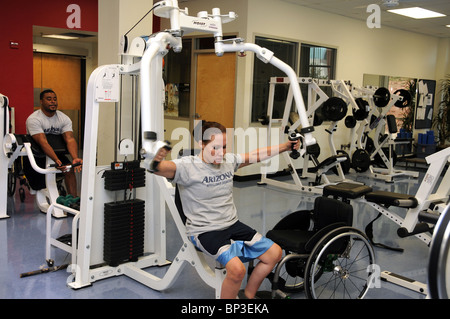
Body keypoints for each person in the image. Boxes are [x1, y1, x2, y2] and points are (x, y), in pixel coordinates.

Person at [152, 120, 300, 299]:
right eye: (215, 148)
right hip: (205, 230)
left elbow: (256, 155)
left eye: (224, 147)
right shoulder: (187, 166)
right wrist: (154, 159)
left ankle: (248, 295)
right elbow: (158, 168)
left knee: (274, 253)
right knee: (237, 270)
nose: (220, 153)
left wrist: (285, 146)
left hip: (231, 224)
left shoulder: (228, 161)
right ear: (201, 144)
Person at [25, 89, 82, 197]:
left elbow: (69, 139)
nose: (53, 101)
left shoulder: (64, 118)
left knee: (69, 169)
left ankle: (74, 201)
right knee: (38, 185)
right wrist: (57, 161)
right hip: (37, 154)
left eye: (55, 99)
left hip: (57, 151)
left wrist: (75, 157)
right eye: (49, 99)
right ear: (41, 101)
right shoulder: (34, 119)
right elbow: (43, 142)